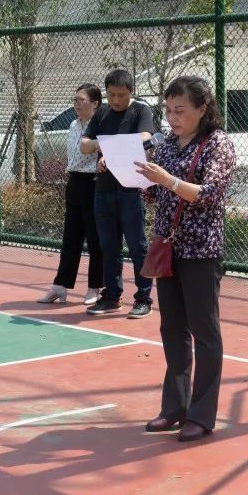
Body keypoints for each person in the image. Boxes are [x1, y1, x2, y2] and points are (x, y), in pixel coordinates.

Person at [135, 75, 236, 443]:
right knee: (172, 328)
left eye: (180, 110)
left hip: (201, 250)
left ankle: (202, 415)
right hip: (168, 247)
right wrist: (135, 176)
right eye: (168, 110)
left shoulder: (217, 143)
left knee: (204, 332)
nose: (172, 118)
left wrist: (168, 180)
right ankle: (175, 408)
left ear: (202, 109)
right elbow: (155, 195)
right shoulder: (166, 145)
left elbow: (209, 193)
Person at [80, 69, 155, 318]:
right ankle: (112, 296)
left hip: (131, 190)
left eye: (121, 95)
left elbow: (145, 137)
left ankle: (143, 298)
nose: (115, 100)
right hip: (103, 190)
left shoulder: (141, 111)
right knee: (108, 247)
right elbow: (85, 145)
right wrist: (107, 147)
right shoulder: (102, 112)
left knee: (137, 247)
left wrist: (110, 149)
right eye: (111, 95)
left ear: (131, 91)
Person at [37, 84, 105, 305]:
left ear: (94, 103)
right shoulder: (73, 124)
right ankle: (60, 286)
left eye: (81, 100)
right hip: (74, 181)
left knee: (95, 237)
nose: (76, 104)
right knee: (70, 236)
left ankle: (95, 287)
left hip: (94, 182)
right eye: (75, 100)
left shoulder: (102, 126)